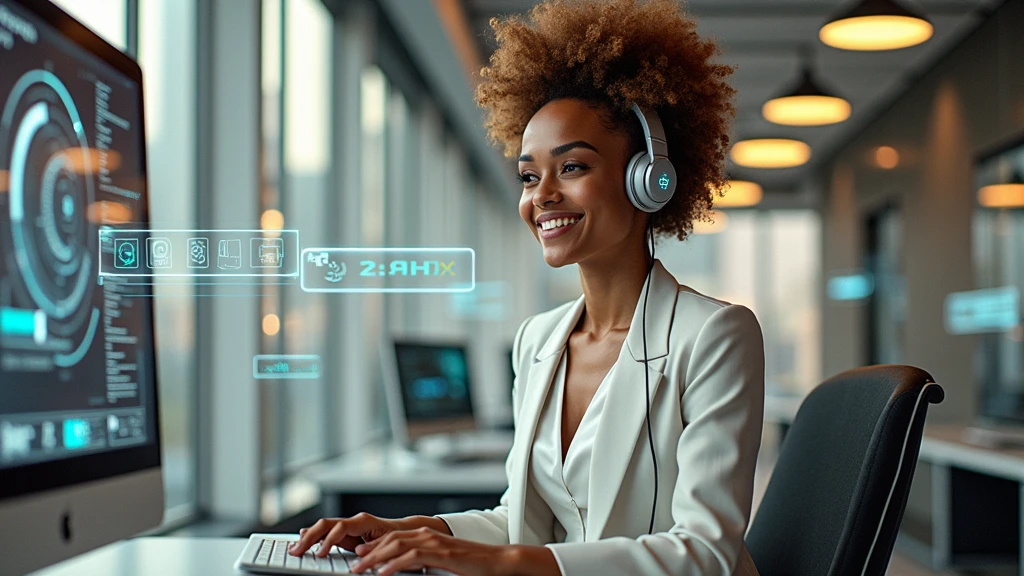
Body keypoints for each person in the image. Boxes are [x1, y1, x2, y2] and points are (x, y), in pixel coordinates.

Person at [289, 0, 764, 574]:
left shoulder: (714, 336)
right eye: (529, 176)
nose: (542, 196)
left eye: (573, 168)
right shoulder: (537, 341)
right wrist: (415, 531)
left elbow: (705, 553)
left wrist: (502, 561)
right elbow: (523, 519)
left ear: (649, 181)